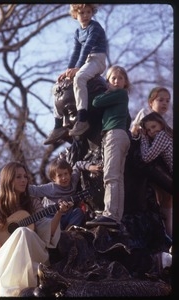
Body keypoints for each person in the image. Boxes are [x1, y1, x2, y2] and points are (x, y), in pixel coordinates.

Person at [0, 161, 71, 297]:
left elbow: (46, 229)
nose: (24, 180)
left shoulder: (33, 202)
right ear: (8, 179)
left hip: (33, 252)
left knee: (22, 231)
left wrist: (59, 213)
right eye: (18, 177)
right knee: (21, 232)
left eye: (25, 177)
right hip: (1, 257)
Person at [44, 4, 107, 145]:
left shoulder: (94, 27)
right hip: (84, 61)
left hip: (96, 59)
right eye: (82, 13)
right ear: (75, 15)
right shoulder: (78, 32)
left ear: (92, 13)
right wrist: (68, 71)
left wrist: (77, 68)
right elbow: (76, 52)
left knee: (80, 78)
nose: (85, 15)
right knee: (59, 85)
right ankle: (58, 125)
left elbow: (88, 47)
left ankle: (82, 119)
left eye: (88, 12)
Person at [86, 65, 131, 229]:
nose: (117, 81)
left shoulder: (118, 94)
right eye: (114, 78)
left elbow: (96, 102)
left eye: (120, 78)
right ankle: (116, 216)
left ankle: (109, 214)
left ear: (125, 82)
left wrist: (106, 90)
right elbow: (128, 121)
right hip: (122, 136)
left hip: (114, 135)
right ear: (109, 80)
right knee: (118, 178)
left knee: (110, 176)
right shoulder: (122, 98)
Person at [28, 157, 103, 230]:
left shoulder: (73, 180)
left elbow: (78, 165)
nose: (64, 178)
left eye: (66, 173)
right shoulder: (51, 188)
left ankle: (69, 231)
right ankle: (58, 234)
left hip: (67, 216)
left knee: (79, 212)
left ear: (70, 173)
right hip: (52, 217)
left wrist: (90, 167)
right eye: (59, 175)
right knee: (50, 222)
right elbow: (34, 190)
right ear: (54, 178)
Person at [139, 112, 173, 237]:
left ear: (161, 123)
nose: (151, 131)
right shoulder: (169, 134)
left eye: (153, 126)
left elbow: (147, 157)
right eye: (147, 130)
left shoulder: (162, 135)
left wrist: (143, 137)